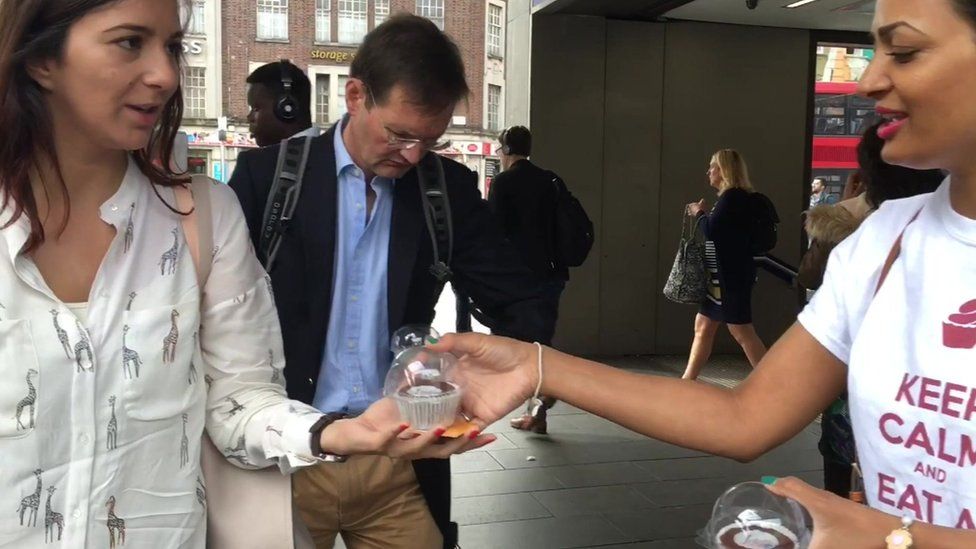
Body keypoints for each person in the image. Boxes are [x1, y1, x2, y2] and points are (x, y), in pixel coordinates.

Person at [432, 0, 976, 545]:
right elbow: (745, 416)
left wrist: (892, 536)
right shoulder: (886, 239)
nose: (868, 80)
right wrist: (536, 366)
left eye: (904, 52)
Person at [0, 1, 488, 547]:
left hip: (344, 454)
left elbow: (239, 397)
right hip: (300, 472)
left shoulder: (203, 217)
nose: (164, 75)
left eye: (174, 47)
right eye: (129, 42)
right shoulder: (268, 178)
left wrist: (339, 430)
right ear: (41, 58)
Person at [228, 14, 554, 549]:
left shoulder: (443, 189)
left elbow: (522, 300)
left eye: (429, 141)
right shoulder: (268, 180)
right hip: (285, 456)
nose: (412, 156)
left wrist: (481, 373)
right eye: (400, 135)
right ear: (355, 96)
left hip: (397, 462)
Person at [799, 121, 944, 498]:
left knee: (839, 468)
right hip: (926, 421)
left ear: (867, 178)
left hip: (858, 391)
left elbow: (808, 275)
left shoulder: (853, 230)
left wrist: (843, 209)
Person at [487, 125, 565, 433]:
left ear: (506, 150)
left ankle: (547, 392)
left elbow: (492, 233)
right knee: (541, 343)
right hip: (552, 272)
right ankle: (539, 411)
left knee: (522, 347)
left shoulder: (504, 183)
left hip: (519, 278)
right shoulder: (549, 180)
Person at [683, 150, 767, 380]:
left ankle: (770, 381)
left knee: (741, 329)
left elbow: (713, 232)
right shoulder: (736, 198)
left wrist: (699, 213)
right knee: (703, 325)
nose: (708, 171)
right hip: (723, 277)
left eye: (713, 166)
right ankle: (687, 382)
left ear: (723, 170)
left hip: (729, 278)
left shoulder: (732, 198)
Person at [246, 60, 318, 147]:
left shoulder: (253, 159)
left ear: (286, 108)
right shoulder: (327, 153)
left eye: (256, 109)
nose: (249, 118)